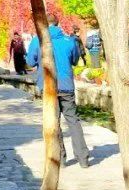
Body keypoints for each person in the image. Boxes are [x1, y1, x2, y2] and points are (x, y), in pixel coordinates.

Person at [27, 22, 91, 167]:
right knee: (73, 121)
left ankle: (60, 159)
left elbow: (30, 62)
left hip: (48, 86)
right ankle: (83, 158)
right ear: (58, 24)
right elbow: (75, 60)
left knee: (53, 122)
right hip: (66, 85)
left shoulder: (38, 40)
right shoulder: (69, 41)